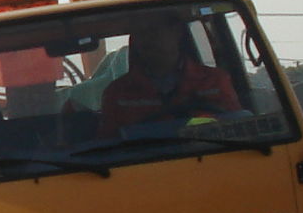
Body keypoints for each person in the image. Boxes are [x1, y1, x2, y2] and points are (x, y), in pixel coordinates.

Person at [98, 17, 243, 136]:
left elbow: (240, 130)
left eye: (153, 30)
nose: (147, 39)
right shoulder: (118, 94)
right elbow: (108, 147)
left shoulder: (215, 81)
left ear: (177, 31)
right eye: (140, 33)